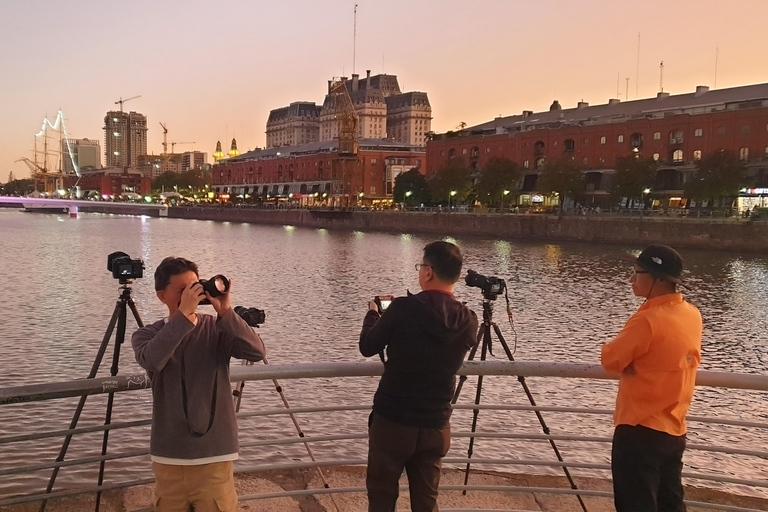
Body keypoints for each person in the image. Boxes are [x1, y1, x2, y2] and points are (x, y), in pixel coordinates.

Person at [131, 257, 266, 512]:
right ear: (162, 296)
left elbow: (257, 352)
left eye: (195, 287)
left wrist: (226, 311)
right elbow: (152, 359)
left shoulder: (217, 329)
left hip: (214, 457)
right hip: (169, 457)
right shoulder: (147, 335)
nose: (192, 295)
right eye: (183, 291)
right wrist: (183, 316)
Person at [359, 241, 479, 512]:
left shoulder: (402, 308)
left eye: (421, 266)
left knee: (381, 496)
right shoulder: (468, 320)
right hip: (436, 425)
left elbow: (368, 346)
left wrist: (372, 314)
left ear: (428, 272)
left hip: (393, 421)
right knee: (426, 502)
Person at [601, 245, 702, 512]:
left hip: (639, 428)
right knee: (670, 503)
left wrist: (623, 358)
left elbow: (611, 361)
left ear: (657, 278)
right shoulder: (691, 314)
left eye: (637, 273)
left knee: (636, 504)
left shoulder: (648, 320)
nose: (631, 279)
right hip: (674, 428)